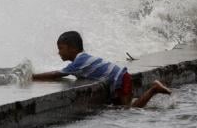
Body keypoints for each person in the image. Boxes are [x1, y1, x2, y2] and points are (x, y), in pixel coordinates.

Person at [33, 31, 171, 108]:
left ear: (73, 49)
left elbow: (56, 75)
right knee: (120, 107)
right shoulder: (82, 59)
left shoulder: (79, 61)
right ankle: (153, 90)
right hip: (121, 77)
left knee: (129, 110)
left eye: (61, 48)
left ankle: (154, 89)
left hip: (121, 79)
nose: (59, 53)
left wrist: (32, 77)